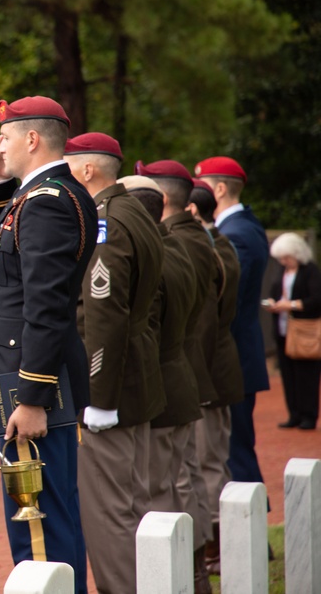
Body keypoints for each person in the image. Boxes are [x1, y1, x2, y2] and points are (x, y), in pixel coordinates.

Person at [0, 96, 97, 594]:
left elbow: (45, 307)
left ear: (31, 139)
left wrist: (32, 398)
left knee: (39, 526)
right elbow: (12, 243)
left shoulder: (47, 202)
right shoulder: (40, 196)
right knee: (44, 517)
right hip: (30, 374)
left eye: (4, 137)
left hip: (33, 384)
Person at [64, 133, 165, 594]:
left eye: (69, 167)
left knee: (109, 515)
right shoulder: (134, 213)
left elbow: (103, 313)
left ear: (88, 171)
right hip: (136, 376)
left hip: (112, 386)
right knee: (137, 504)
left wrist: (97, 399)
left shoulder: (106, 220)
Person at [135, 159, 217, 593]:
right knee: (184, 481)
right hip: (181, 374)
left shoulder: (167, 251)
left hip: (168, 379)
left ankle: (184, 574)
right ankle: (196, 571)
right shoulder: (187, 245)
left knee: (166, 491)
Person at [193, 157, 270, 492]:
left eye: (199, 185)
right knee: (228, 450)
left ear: (219, 189)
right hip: (235, 356)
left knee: (233, 454)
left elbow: (224, 302)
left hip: (231, 358)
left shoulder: (235, 233)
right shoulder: (241, 228)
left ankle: (253, 543)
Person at [188, 178, 245, 575]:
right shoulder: (215, 242)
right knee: (209, 463)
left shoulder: (208, 248)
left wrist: (198, 384)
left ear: (192, 211)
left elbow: (205, 324)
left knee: (208, 464)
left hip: (207, 373)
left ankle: (215, 551)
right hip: (213, 369)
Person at [263, 232, 321, 430]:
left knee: (307, 374)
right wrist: (273, 303)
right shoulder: (282, 271)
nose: (283, 261)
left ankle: (309, 414)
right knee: (288, 374)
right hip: (283, 330)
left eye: (287, 257)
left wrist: (292, 305)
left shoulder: (310, 271)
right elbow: (275, 291)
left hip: (304, 330)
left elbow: (316, 299)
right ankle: (294, 413)